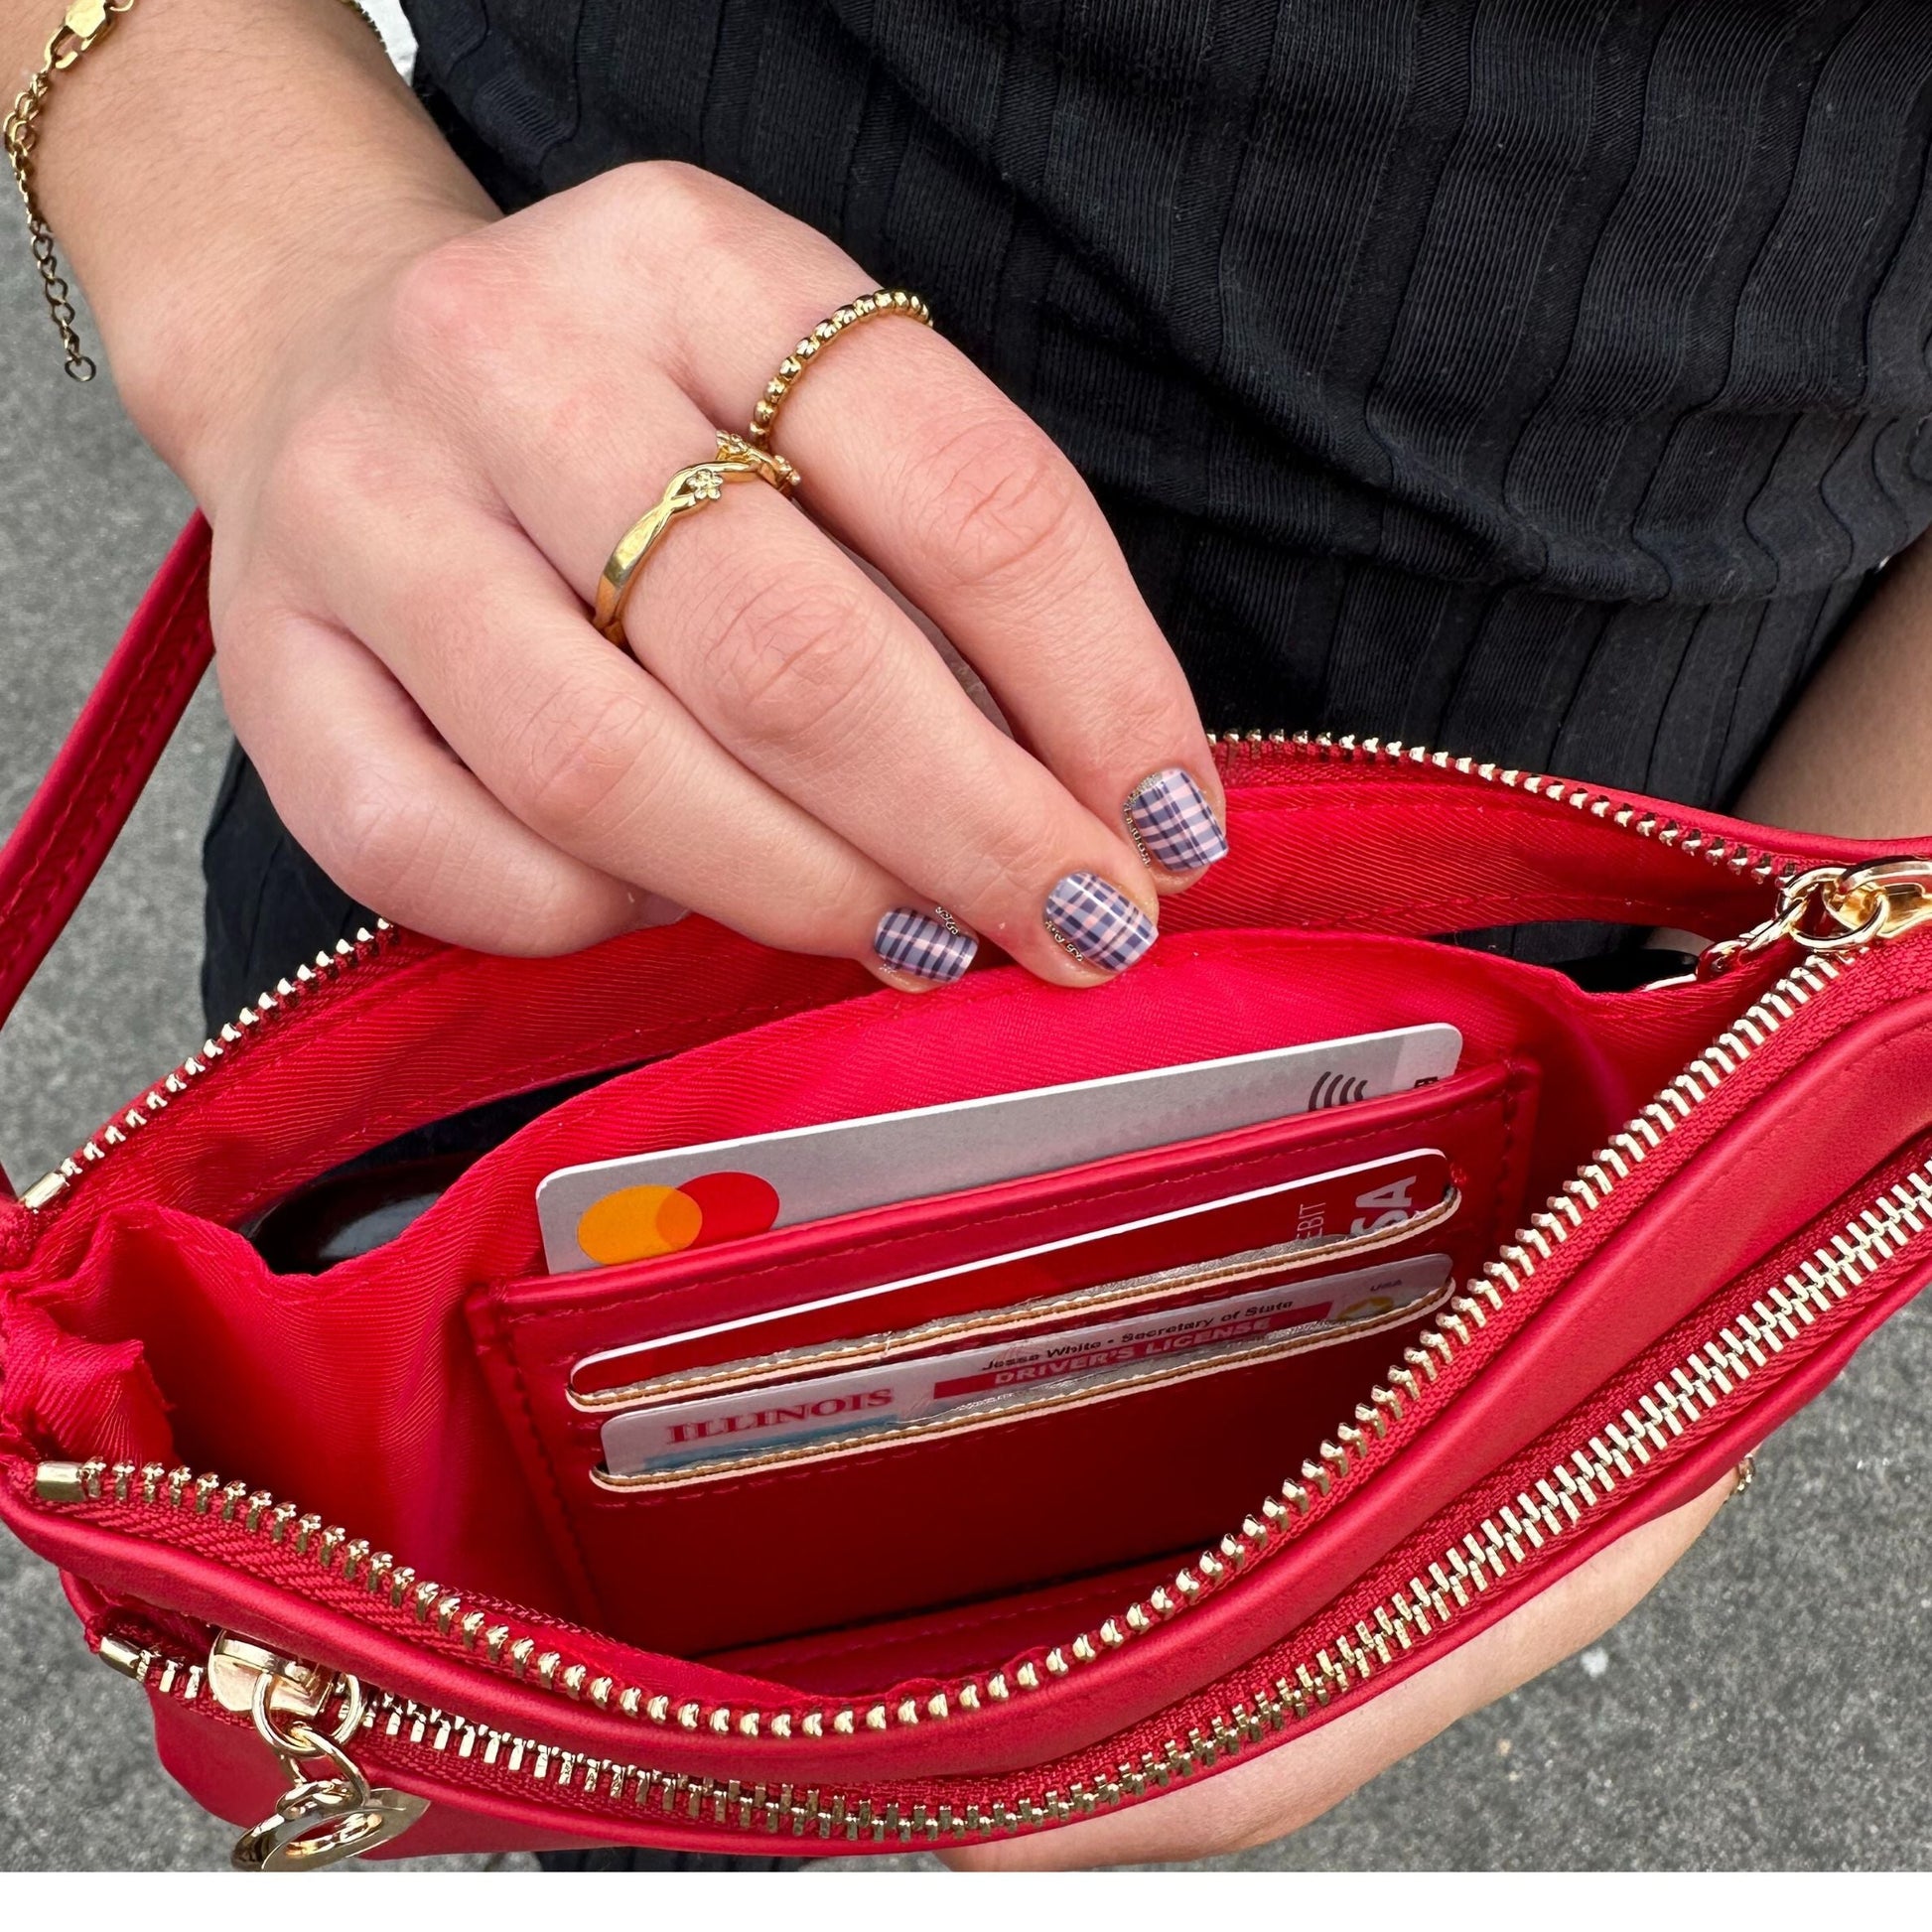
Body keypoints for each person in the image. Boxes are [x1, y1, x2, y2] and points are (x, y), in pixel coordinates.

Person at [9, 0, 1932, 1869]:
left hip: (1593, 896)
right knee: (565, 1682)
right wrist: (278, 261)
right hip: (549, 664)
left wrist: (1720, 1270)